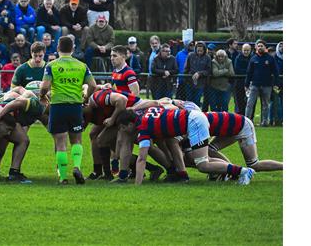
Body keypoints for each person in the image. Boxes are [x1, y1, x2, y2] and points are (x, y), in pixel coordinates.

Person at [115, 107, 255, 185]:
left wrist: (137, 185)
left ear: (131, 124)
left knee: (202, 165)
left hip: (194, 123)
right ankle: (236, 171)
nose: (123, 131)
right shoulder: (147, 113)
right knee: (199, 159)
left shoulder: (143, 128)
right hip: (193, 119)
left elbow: (141, 158)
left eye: (123, 127)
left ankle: (243, 171)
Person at [40, 36, 97, 184]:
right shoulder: (82, 65)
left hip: (58, 106)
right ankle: (77, 167)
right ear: (73, 49)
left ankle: (63, 177)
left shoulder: (51, 65)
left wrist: (42, 96)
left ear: (58, 48)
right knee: (76, 139)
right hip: (75, 106)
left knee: (60, 142)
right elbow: (93, 85)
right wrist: (85, 98)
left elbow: (45, 87)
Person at [204, 111, 283, 172]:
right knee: (209, 150)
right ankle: (231, 171)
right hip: (231, 126)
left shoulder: (196, 122)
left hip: (242, 126)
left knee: (254, 164)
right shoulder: (195, 118)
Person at [245, 39, 278, 126]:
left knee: (265, 105)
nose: (260, 47)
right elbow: (249, 72)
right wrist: (246, 84)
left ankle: (264, 122)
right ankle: (247, 122)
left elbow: (275, 72)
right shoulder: (253, 59)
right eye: (258, 46)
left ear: (265, 47)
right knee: (249, 104)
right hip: (254, 85)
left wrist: (276, 84)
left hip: (267, 85)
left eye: (261, 46)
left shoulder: (270, 59)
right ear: (256, 47)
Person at [184, 41, 211, 107]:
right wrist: (188, 77)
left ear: (204, 49)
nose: (199, 51)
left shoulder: (207, 57)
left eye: (201, 50)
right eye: (198, 50)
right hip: (190, 82)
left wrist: (199, 73)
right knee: (189, 101)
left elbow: (208, 70)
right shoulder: (190, 55)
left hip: (201, 83)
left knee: (197, 100)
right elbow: (186, 68)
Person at [234, 43, 252, 115]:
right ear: (242, 50)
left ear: (250, 50)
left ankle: (250, 117)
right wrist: (248, 72)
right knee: (240, 101)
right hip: (239, 82)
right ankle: (240, 116)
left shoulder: (252, 58)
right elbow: (237, 69)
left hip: (250, 82)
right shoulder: (238, 58)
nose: (246, 52)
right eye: (244, 50)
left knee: (250, 101)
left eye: (247, 50)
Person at [272, 41, 283, 126]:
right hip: (276, 83)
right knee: (274, 101)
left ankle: (281, 119)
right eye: (280, 46)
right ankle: (272, 119)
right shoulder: (274, 57)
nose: (282, 48)